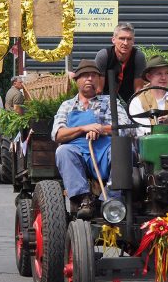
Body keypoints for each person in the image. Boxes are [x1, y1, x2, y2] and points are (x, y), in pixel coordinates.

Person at [52, 59, 131, 219]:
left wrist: (101, 129)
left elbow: (126, 127)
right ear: (77, 80)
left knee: (123, 150)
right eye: (85, 76)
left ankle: (109, 200)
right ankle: (84, 199)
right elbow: (58, 134)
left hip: (105, 152)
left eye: (93, 76)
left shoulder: (110, 102)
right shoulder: (67, 106)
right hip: (78, 153)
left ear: (99, 80)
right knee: (63, 151)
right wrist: (83, 128)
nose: (89, 79)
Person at [94, 22, 146, 103]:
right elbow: (99, 90)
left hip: (129, 100)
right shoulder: (104, 56)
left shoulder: (138, 57)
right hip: (106, 100)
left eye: (129, 39)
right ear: (113, 40)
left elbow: (138, 91)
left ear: (133, 41)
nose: (125, 43)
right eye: (122, 38)